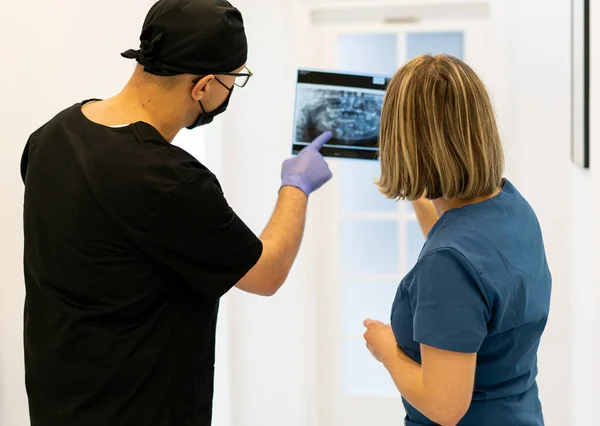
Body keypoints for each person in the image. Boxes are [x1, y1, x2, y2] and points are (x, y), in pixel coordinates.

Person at [20, 1, 332, 425]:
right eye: (234, 79)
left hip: (57, 407)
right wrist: (297, 185)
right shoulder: (169, 180)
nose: (231, 90)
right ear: (202, 86)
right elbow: (267, 272)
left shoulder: (52, 136)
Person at [363, 54, 552, 426]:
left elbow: (445, 406)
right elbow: (466, 263)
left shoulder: (448, 262)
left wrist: (386, 349)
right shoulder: (511, 205)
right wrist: (418, 186)